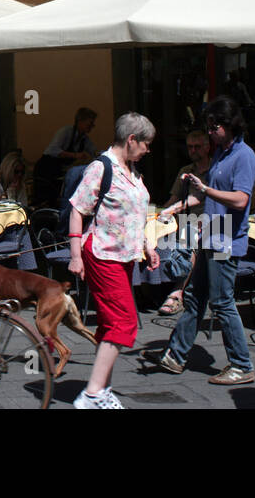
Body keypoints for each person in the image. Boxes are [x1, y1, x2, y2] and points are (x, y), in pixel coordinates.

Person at [147, 96, 255, 386]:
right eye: (209, 126)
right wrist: (174, 208)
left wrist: (206, 189)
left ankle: (241, 364)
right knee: (194, 296)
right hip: (210, 233)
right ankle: (176, 355)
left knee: (221, 301)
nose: (210, 132)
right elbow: (204, 194)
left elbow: (241, 198)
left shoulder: (244, 156)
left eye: (214, 126)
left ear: (230, 125)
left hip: (225, 238)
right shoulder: (222, 153)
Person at [69, 113, 160, 409]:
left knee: (111, 323)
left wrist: (147, 245)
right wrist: (74, 257)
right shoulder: (101, 167)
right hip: (102, 254)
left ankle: (101, 389)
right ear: (131, 140)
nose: (148, 149)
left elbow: (135, 213)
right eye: (146, 143)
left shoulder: (132, 170)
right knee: (124, 321)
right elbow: (77, 209)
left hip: (124, 255)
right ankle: (92, 394)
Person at [154, 129, 211, 316]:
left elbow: (202, 197)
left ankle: (177, 292)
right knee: (157, 233)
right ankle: (152, 287)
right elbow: (173, 199)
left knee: (190, 234)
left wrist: (173, 209)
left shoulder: (216, 170)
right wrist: (159, 213)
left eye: (197, 147)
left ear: (207, 147)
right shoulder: (185, 172)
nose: (193, 150)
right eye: (190, 147)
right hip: (186, 221)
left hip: (216, 222)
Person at [35, 107, 99, 202]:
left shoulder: (85, 139)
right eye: (90, 122)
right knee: (43, 200)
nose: (92, 125)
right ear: (80, 121)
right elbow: (52, 150)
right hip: (45, 170)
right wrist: (75, 155)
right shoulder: (65, 132)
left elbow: (94, 152)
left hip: (58, 173)